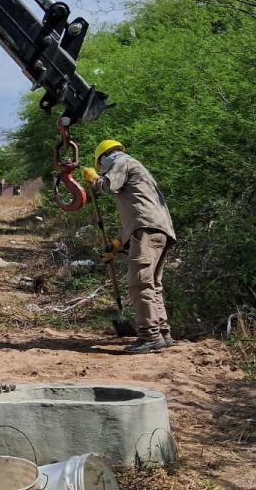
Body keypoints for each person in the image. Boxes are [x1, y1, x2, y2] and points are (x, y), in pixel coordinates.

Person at [82, 140, 176, 354]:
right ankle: (162, 333)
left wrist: (94, 179)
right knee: (152, 284)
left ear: (103, 159)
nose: (102, 171)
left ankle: (150, 337)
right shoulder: (136, 171)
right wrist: (117, 245)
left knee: (140, 284)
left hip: (147, 229)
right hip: (158, 230)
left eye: (100, 167)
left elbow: (108, 186)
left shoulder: (120, 161)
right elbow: (136, 214)